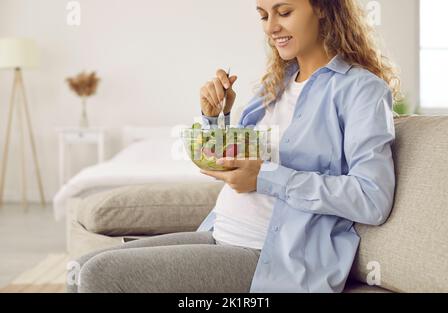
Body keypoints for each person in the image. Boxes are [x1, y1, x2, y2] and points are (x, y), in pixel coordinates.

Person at [68, 0, 399, 293]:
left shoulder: (361, 91)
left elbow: (372, 198)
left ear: (324, 8)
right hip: (220, 232)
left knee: (99, 275)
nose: (271, 27)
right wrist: (216, 119)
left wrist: (264, 177)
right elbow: (231, 164)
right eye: (263, 15)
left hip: (271, 255)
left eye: (284, 12)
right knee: (79, 269)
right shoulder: (275, 87)